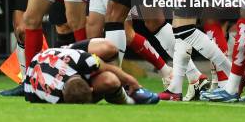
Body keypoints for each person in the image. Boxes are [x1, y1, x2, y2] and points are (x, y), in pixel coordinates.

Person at [25, 38, 158, 105]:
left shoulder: (83, 59)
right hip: (42, 62)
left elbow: (106, 67)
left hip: (65, 53)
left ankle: (125, 89)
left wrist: (132, 81)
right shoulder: (49, 96)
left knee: (109, 48)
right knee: (110, 81)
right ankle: (127, 99)